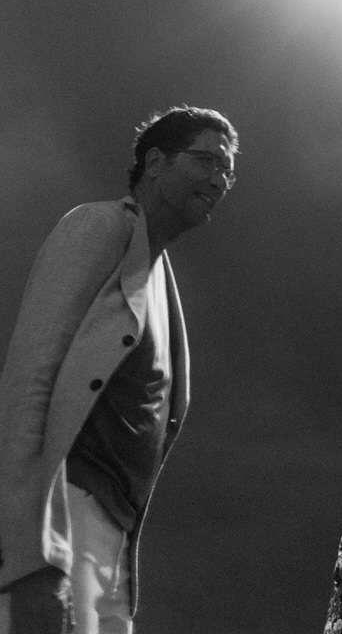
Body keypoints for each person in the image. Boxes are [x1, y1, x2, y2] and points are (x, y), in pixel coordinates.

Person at [0, 105, 238, 634]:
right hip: (64, 520)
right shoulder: (98, 227)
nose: (220, 178)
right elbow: (29, 376)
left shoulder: (161, 277)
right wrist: (24, 557)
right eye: (206, 160)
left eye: (227, 169)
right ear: (155, 162)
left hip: (115, 545)